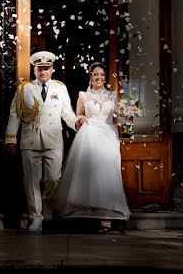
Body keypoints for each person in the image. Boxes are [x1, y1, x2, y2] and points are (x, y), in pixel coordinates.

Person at [4, 51, 77, 233]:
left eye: (46, 68)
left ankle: (46, 205)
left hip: (53, 139)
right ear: (34, 70)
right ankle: (36, 217)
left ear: (52, 69)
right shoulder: (24, 89)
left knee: (53, 178)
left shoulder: (60, 88)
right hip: (30, 139)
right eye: (39, 68)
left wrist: (77, 123)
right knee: (32, 181)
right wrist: (11, 137)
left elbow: (66, 112)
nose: (43, 71)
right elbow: (15, 114)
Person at [54, 62, 130, 231]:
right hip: (90, 136)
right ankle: (90, 213)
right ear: (91, 76)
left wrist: (129, 115)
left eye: (102, 74)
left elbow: (117, 118)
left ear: (105, 77)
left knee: (108, 174)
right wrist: (80, 120)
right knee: (90, 174)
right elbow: (79, 116)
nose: (99, 77)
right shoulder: (83, 95)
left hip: (108, 137)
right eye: (96, 74)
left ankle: (105, 214)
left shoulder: (112, 96)